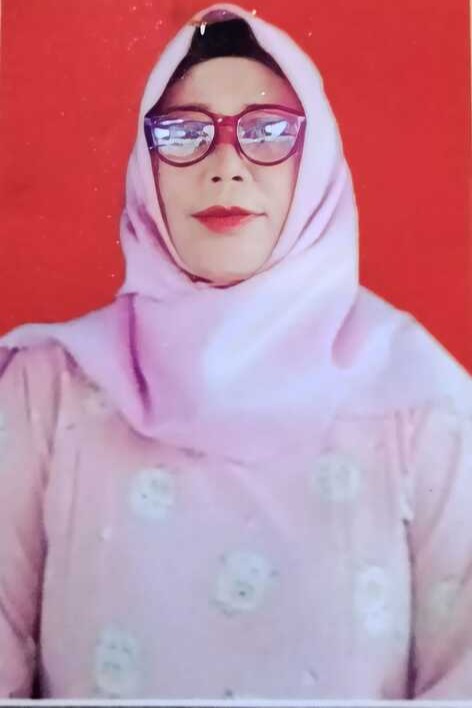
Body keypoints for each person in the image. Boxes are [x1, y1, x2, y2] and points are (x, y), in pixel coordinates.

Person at [0, 2, 471, 700]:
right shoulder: (46, 390)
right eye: (184, 133)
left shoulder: (418, 401)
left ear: (318, 164)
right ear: (145, 167)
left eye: (269, 131)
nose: (225, 166)